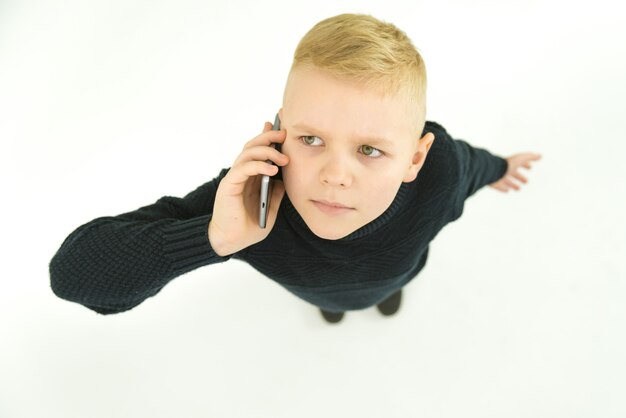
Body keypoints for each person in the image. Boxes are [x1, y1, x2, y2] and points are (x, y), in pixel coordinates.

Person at [48, 13, 541, 324]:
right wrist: (212, 238)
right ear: (278, 133)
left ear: (415, 158)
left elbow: (476, 165)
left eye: (369, 150)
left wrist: (502, 167)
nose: (334, 175)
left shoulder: (443, 171)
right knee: (330, 305)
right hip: (310, 289)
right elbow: (73, 276)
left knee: (386, 294)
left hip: (398, 274)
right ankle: (333, 307)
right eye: (310, 139)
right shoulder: (245, 204)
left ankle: (381, 300)